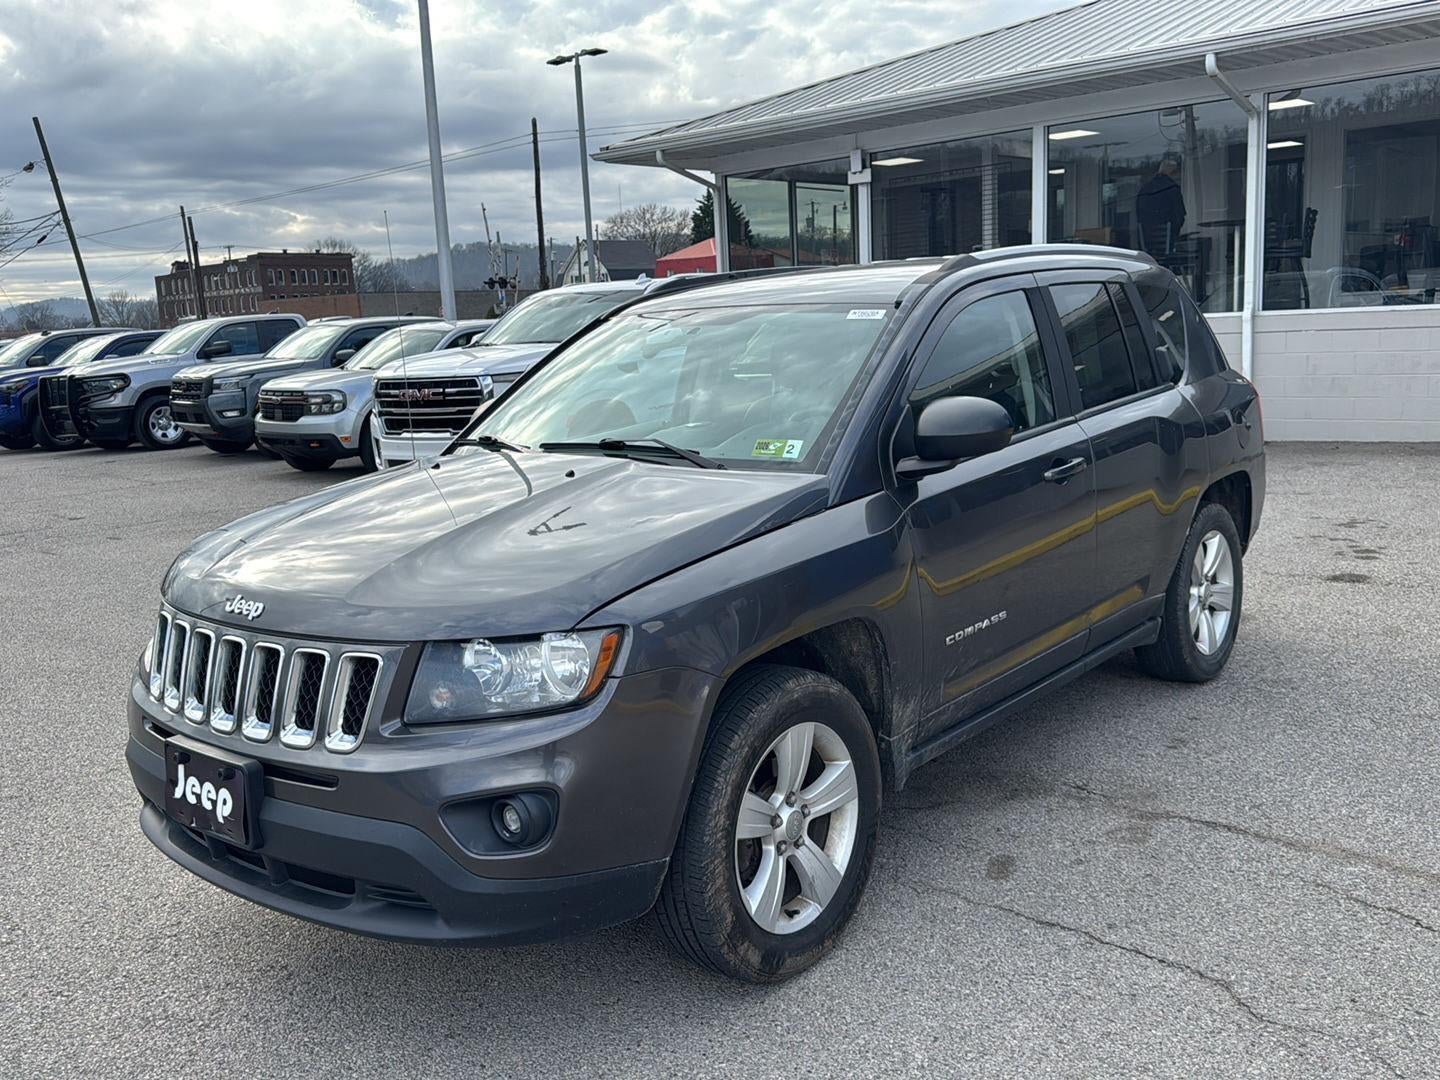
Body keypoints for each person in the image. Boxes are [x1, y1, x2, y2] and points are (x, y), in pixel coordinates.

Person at [1136, 158, 1186, 255]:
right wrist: (1174, 235)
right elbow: (1179, 217)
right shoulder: (1172, 188)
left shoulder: (1144, 189)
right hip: (1169, 246)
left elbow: (1139, 216)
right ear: (1173, 173)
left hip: (1146, 245)